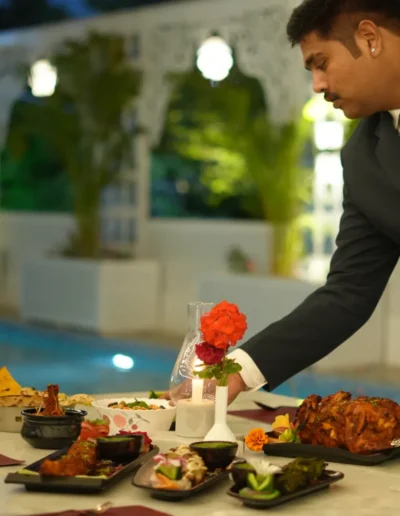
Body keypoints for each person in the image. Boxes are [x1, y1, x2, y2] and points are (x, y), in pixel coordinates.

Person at [164, 0, 400, 404]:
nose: (318, 85)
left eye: (321, 63)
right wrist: (236, 373)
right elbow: (348, 293)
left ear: (369, 38)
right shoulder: (363, 157)